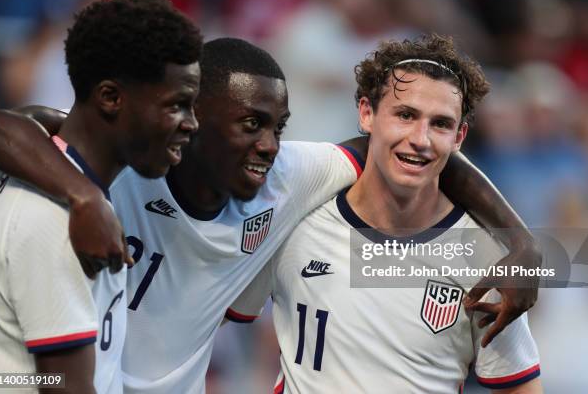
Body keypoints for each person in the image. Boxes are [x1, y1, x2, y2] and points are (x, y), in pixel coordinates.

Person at [0, 38, 539, 393]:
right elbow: (6, 125)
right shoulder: (119, 170)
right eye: (250, 124)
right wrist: (83, 197)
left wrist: (525, 247)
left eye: (278, 126)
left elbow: (416, 152)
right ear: (190, 119)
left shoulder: (292, 181)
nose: (271, 145)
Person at [228, 35, 542, 393]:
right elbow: (210, 315)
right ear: (366, 113)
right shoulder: (296, 220)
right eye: (405, 115)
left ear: (459, 138)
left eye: (440, 124)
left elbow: (521, 388)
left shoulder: (487, 260)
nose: (420, 139)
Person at [0, 0, 202, 394]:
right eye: (178, 105)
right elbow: (63, 384)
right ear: (110, 97)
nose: (191, 124)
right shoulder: (57, 219)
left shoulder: (75, 185)